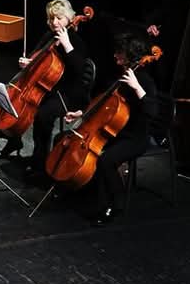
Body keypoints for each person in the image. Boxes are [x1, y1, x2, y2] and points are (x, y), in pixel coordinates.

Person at [60, 33, 158, 225]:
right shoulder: (118, 75)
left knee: (106, 160)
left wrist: (137, 88)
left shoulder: (144, 80)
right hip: (113, 132)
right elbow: (103, 105)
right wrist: (82, 114)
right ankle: (76, 188)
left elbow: (152, 112)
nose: (115, 56)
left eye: (120, 53)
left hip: (135, 137)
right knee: (63, 138)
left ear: (131, 55)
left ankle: (114, 204)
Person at [0, 0, 91, 182]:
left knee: (43, 115)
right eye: (52, 18)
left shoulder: (77, 41)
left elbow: (80, 71)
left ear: (70, 19)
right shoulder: (49, 36)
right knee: (10, 103)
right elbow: (36, 58)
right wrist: (27, 63)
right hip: (46, 88)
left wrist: (67, 45)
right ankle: (14, 140)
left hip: (67, 93)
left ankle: (41, 163)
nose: (55, 23)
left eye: (59, 18)